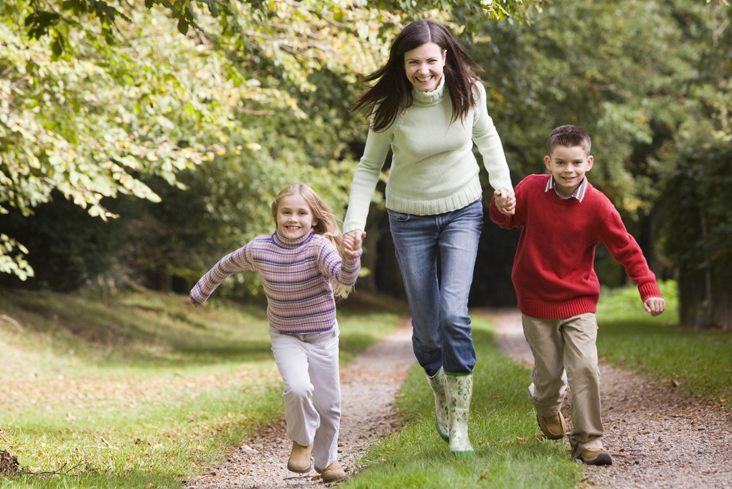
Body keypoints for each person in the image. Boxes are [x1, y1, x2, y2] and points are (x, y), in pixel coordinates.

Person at [343, 19, 516, 456]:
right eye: (413, 62)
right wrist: (353, 222)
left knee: (454, 315)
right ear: (402, 64)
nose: (423, 71)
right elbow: (368, 168)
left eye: (431, 61)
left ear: (445, 58)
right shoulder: (392, 108)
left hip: (462, 210)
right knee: (425, 330)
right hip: (408, 217)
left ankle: (460, 426)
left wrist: (502, 183)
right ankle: (441, 390)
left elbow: (486, 136)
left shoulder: (469, 92)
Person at [489, 124, 666, 465]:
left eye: (575, 163)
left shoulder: (598, 205)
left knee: (585, 367)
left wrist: (648, 288)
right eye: (560, 163)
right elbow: (505, 219)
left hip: (578, 302)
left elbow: (626, 248)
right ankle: (546, 406)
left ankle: (588, 442)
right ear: (548, 162)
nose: (568, 170)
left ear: (589, 163)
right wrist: (501, 204)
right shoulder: (530, 189)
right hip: (536, 300)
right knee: (549, 377)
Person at [190, 183, 362, 483]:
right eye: (286, 212)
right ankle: (302, 440)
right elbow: (226, 265)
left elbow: (342, 277)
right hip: (285, 334)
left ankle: (327, 461)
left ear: (314, 218)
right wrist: (201, 291)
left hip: (322, 335)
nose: (293, 219)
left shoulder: (318, 247)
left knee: (329, 404)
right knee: (297, 387)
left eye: (301, 213)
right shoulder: (260, 249)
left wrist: (350, 258)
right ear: (275, 214)